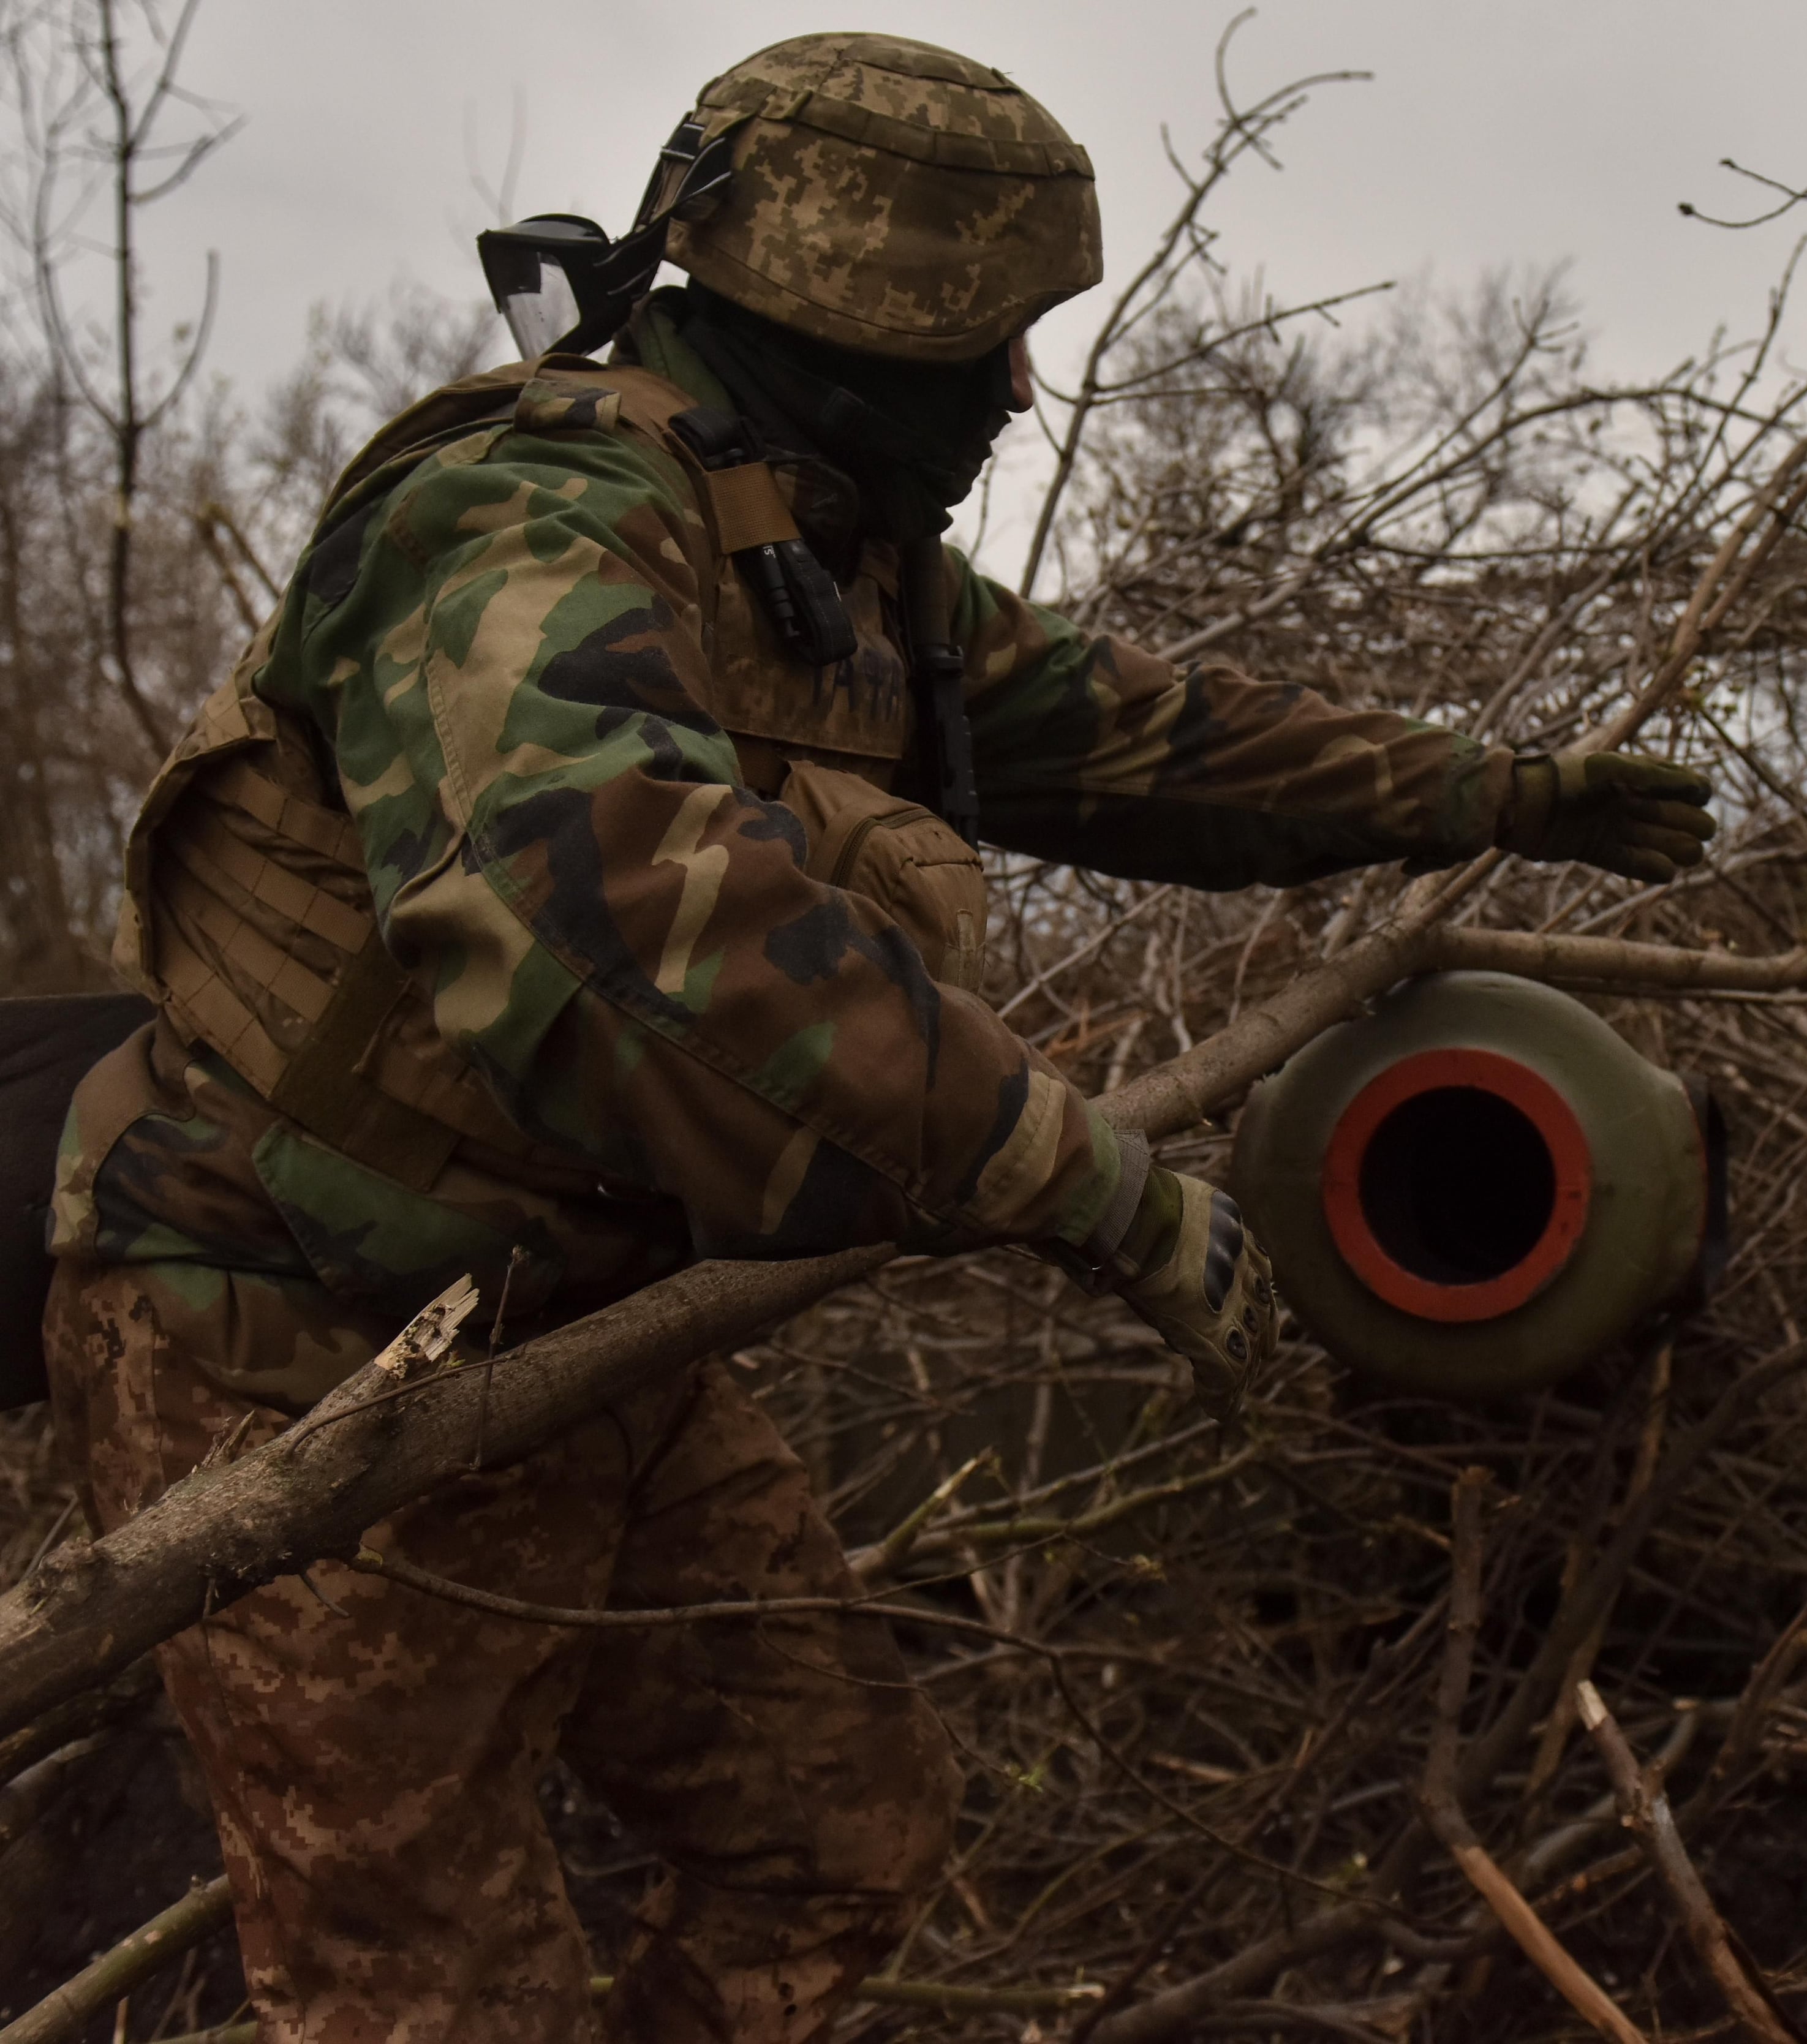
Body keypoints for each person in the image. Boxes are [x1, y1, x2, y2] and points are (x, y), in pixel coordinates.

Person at [44, 32, 1712, 2043]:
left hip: (578, 1347)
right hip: (289, 1345)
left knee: (842, 1827)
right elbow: (629, 913)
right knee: (431, 1997)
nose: (1022, 390)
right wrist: (1063, 1165)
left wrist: (1482, 789)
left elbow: (1135, 735)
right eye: (993, 340)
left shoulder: (821, 557)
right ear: (853, 328)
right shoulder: (521, 515)